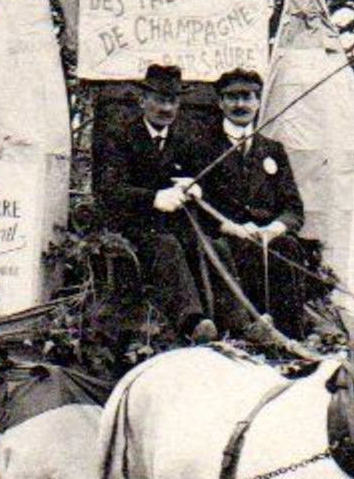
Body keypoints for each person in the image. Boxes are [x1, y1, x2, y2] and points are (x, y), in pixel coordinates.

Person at [93, 63, 218, 341]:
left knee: (213, 245)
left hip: (176, 226)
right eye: (160, 99)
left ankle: (241, 322)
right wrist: (153, 198)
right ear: (142, 100)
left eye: (172, 100)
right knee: (167, 245)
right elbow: (108, 189)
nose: (166, 108)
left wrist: (195, 186)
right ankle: (193, 323)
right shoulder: (120, 136)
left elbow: (199, 176)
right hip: (132, 229)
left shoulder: (184, 138)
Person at [184, 67, 309, 339]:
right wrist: (230, 227)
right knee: (225, 250)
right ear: (220, 102)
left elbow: (294, 208)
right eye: (232, 97)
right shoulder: (202, 147)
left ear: (258, 101)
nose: (240, 104)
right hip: (226, 235)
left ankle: (288, 338)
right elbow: (195, 203)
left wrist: (274, 228)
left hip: (266, 239)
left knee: (287, 247)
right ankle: (245, 330)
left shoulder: (272, 149)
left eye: (247, 96)